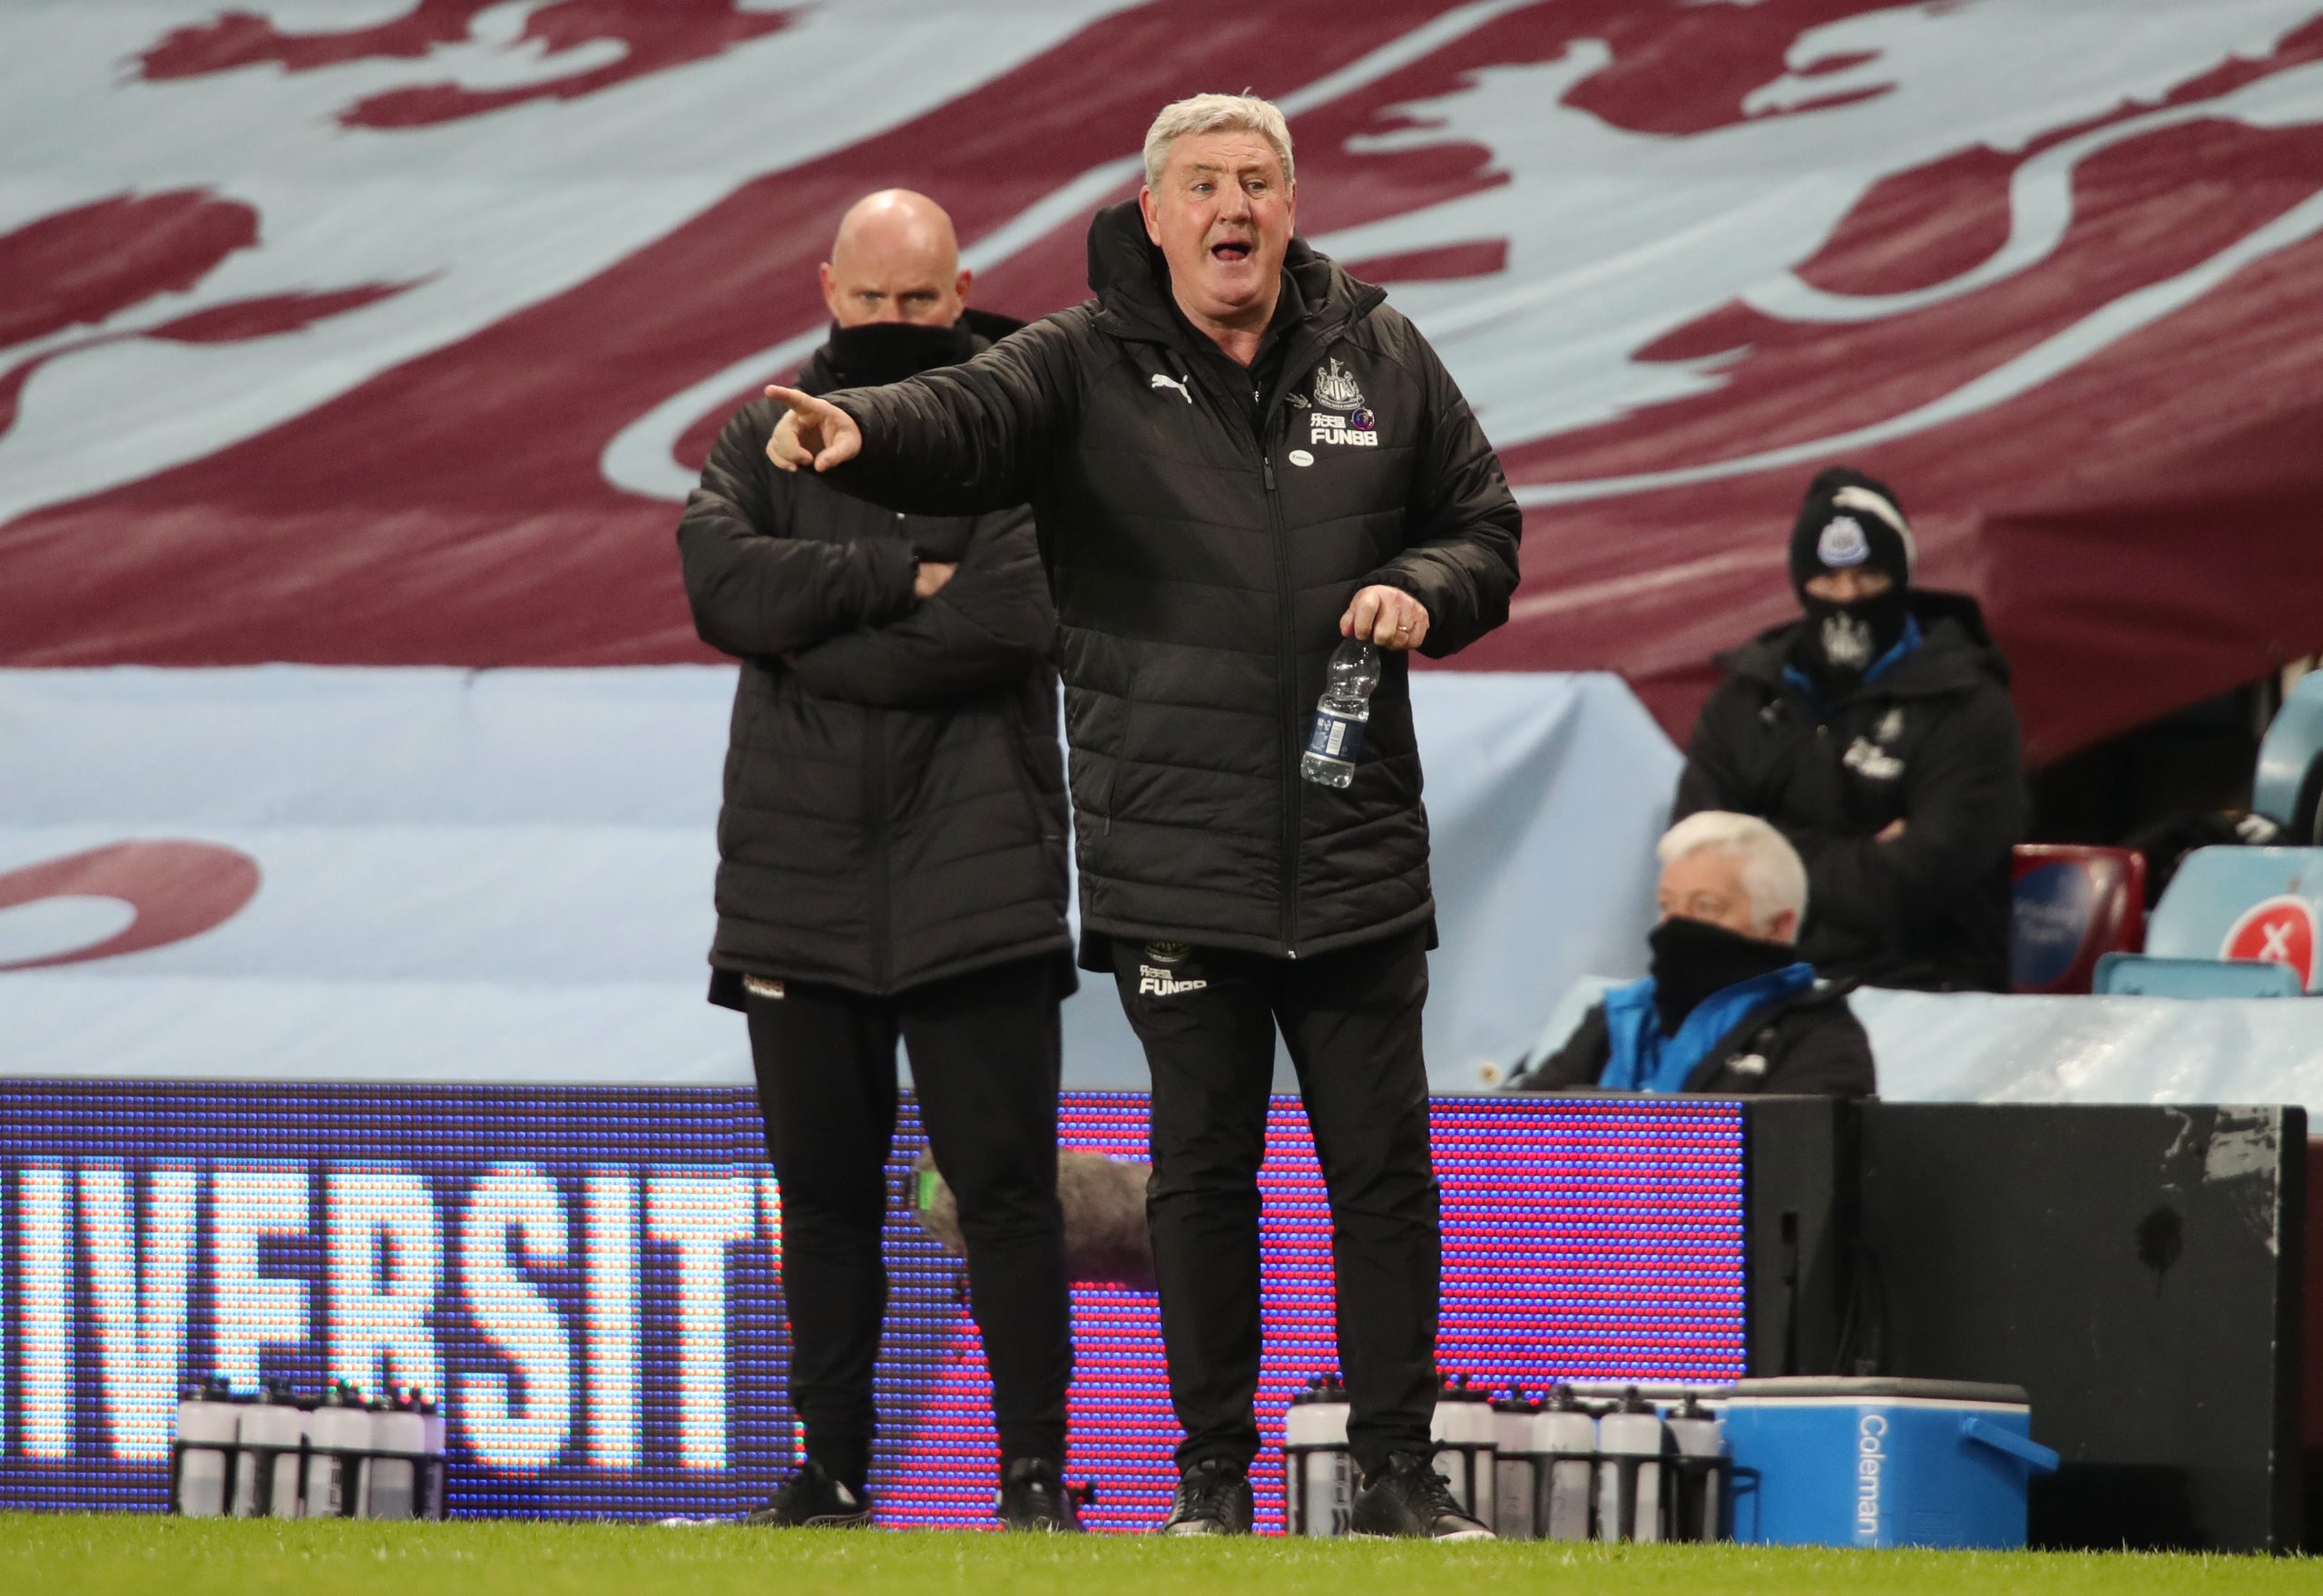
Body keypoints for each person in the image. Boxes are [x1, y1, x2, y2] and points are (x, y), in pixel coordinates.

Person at [759, 94, 1522, 1540]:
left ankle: (1399, 1478)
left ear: (1291, 204)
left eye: (1257, 180)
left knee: (1384, 1174)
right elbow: (962, 417)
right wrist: (858, 428)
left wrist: (1432, 587)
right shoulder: (1079, 360)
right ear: (1156, 212)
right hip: (1176, 855)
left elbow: (1485, 520)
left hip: (1353, 841)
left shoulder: (1382, 348)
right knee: (1202, 1179)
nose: (1232, 206)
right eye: (1203, 185)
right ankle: (1214, 1483)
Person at [675, 190, 1079, 1532]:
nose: (897, 322)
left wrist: (808, 629)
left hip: (981, 887)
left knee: (1010, 1198)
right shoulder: (761, 431)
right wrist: (894, 581)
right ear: (829, 288)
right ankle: (834, 1472)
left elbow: (1012, 619)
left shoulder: (1025, 434)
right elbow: (720, 586)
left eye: (921, 300)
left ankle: (1030, 1479)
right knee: (827, 1205)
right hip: (801, 891)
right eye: (874, 299)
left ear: (964, 287)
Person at [1673, 466, 2025, 992]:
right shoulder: (1745, 698)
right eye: (1828, 579)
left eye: (1868, 577)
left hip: (1924, 995)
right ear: (1800, 582)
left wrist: (1763, 848)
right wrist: (1863, 856)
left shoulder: (1968, 705)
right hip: (1761, 986)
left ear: (1901, 579)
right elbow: (1697, 856)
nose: (1848, 595)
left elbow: (1911, 885)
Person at [1509, 812, 1875, 1095]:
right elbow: (1502, 1131)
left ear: (1778, 925)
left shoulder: (1818, 1037)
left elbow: (1790, 1174)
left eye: (1705, 908)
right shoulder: (1617, 1017)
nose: (1678, 927)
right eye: (1667, 906)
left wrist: (1593, 1121)